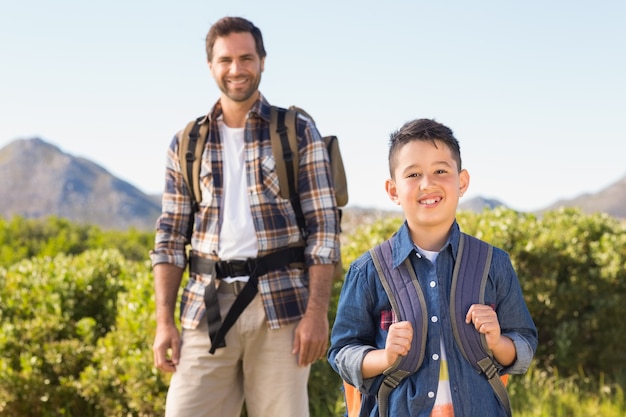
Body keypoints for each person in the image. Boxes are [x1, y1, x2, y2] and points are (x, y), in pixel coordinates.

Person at [150, 16, 340, 417]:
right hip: (206, 309)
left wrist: (316, 314)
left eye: (246, 58)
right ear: (211, 66)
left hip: (283, 308)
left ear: (263, 62)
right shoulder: (186, 143)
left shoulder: (296, 131)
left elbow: (324, 230)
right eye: (226, 60)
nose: (236, 69)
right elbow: (169, 239)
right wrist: (164, 322)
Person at [328, 118, 537, 416]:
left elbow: (524, 343)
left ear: (462, 181)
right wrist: (385, 357)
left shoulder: (495, 263)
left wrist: (498, 341)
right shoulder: (367, 271)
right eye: (413, 174)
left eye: (441, 170)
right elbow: (341, 353)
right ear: (393, 190)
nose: (428, 184)